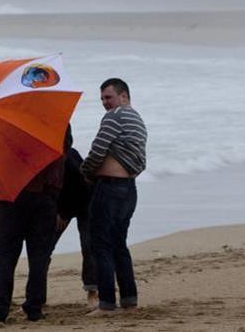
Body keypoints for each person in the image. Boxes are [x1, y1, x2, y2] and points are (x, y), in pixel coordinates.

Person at [0, 147, 65, 326]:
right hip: (44, 198)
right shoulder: (54, 130)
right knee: (39, 257)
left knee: (4, 256)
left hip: (12, 198)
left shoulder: (5, 133)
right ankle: (34, 307)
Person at [81, 77, 147, 315]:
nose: (104, 103)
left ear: (123, 96)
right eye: (101, 99)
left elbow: (98, 149)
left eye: (108, 97)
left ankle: (107, 303)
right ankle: (129, 301)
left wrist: (86, 171)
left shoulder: (115, 116)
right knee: (119, 245)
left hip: (109, 188)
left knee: (100, 244)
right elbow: (139, 160)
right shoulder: (137, 119)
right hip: (128, 189)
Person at [54, 125, 97, 306]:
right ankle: (37, 296)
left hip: (86, 201)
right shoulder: (48, 159)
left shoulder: (70, 160)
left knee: (88, 245)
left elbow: (80, 191)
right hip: (63, 202)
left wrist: (63, 214)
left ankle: (93, 292)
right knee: (44, 246)